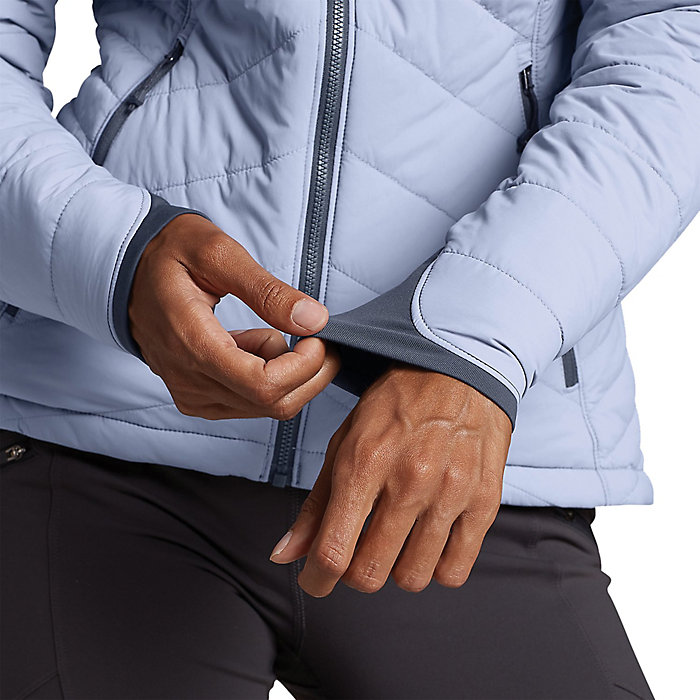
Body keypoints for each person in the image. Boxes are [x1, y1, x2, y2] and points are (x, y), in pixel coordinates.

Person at [1, 0, 697, 697]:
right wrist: (113, 256)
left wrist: (474, 343)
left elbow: (670, 44)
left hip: (463, 460)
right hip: (95, 419)